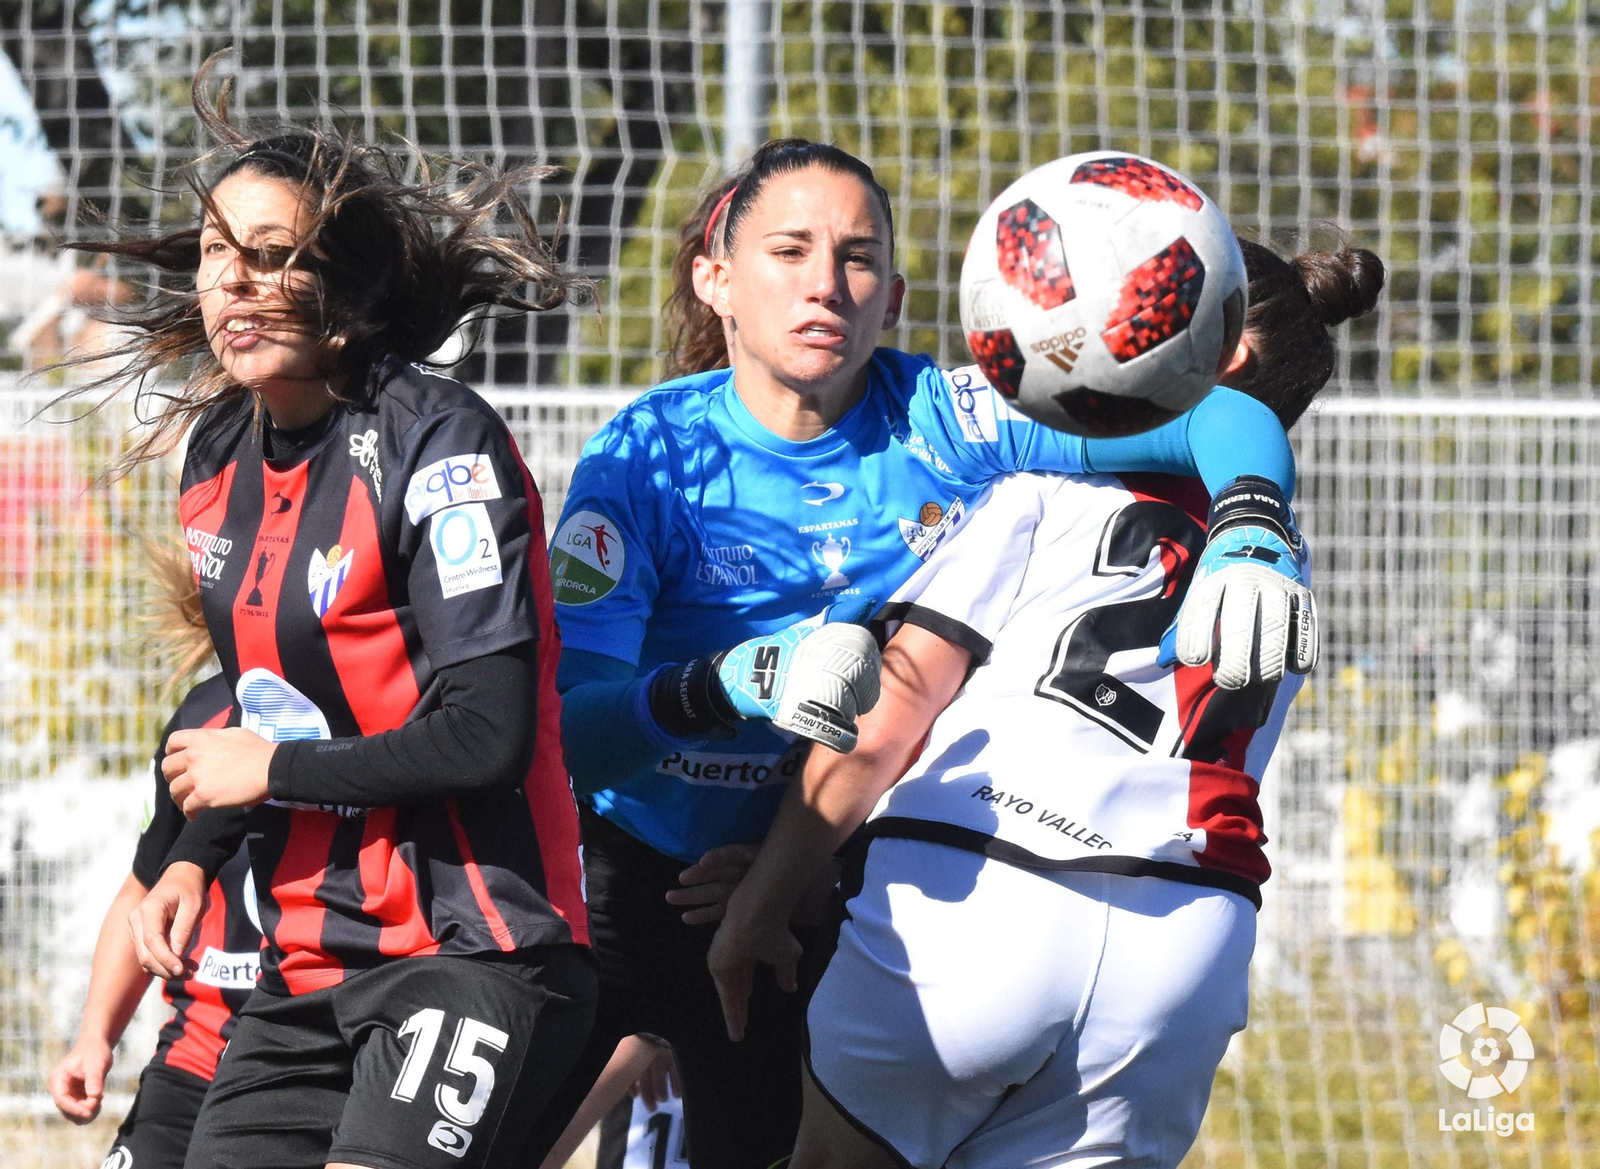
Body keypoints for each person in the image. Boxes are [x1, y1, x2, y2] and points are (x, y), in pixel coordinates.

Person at [519, 139, 1318, 1167]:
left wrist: (1250, 526)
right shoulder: (646, 457)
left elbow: (1225, 415)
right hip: (625, 876)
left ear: (893, 297)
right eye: (789, 249)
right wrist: (725, 683)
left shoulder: (950, 421)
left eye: (855, 259)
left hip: (791, 887)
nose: (824, 284)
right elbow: (572, 734)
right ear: (714, 279)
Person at [708, 238, 1385, 1169]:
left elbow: (885, 722)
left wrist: (762, 899)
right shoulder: (1279, 563)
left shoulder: (1047, 488)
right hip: (1186, 938)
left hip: (986, 886)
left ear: (1215, 350)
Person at [72, 56, 594, 1169]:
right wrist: (189, 858)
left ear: (347, 296)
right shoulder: (217, 456)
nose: (233, 286)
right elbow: (264, 710)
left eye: (274, 259)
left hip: (470, 945)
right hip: (304, 961)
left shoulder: (440, 443)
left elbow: (485, 734)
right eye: (220, 255)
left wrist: (262, 776)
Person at [49, 556, 255, 1169]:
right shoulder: (199, 722)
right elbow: (140, 892)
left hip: (303, 1061)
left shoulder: (373, 722)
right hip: (194, 1057)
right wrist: (94, 1038)